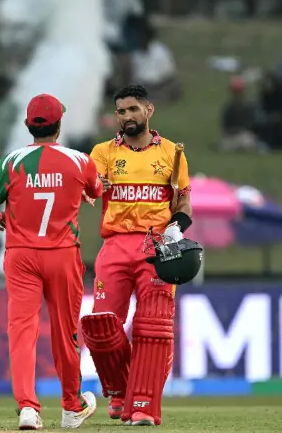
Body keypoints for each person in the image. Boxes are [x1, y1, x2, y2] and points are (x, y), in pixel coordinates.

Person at [0, 93, 101, 429]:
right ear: (60, 124)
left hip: (21, 255)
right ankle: (72, 406)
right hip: (63, 255)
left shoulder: (11, 162)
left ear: (28, 125)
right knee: (64, 334)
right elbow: (96, 189)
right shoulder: (79, 160)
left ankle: (28, 408)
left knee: (22, 332)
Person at [82, 84, 193, 426]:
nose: (127, 116)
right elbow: (87, 189)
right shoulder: (103, 152)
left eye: (133, 109)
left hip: (157, 246)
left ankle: (142, 405)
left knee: (153, 328)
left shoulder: (172, 152)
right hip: (114, 245)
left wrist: (176, 229)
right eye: (121, 111)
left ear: (149, 111)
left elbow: (183, 203)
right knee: (101, 326)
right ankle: (119, 391)